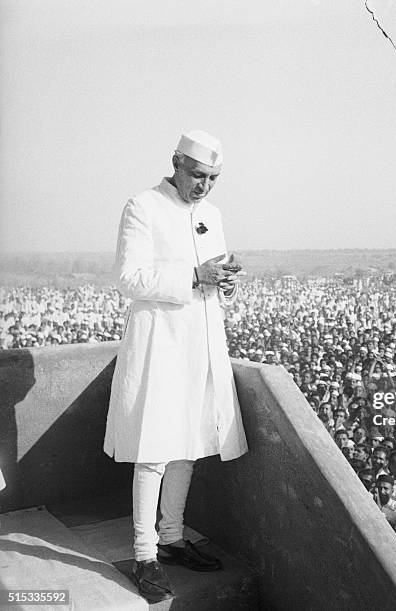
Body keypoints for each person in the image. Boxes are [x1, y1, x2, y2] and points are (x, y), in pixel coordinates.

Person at [103, 130, 248, 603]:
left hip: (199, 343)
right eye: (197, 175)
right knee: (154, 448)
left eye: (213, 178)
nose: (204, 185)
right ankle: (144, 554)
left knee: (190, 441)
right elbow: (129, 277)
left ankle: (172, 537)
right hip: (158, 344)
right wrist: (192, 276)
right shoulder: (142, 205)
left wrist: (224, 282)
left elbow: (214, 278)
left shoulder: (211, 215)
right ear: (176, 163)